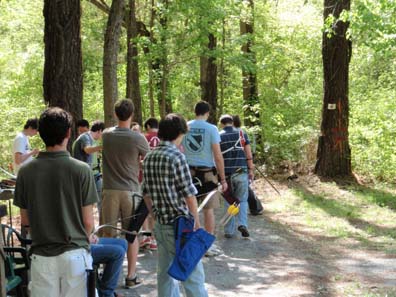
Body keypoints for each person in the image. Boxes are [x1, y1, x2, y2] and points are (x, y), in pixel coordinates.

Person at [13, 107, 98, 297]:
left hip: (41, 256)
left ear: (40, 134)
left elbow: (25, 221)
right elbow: (88, 222)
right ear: (68, 133)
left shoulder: (26, 172)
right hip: (75, 256)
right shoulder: (82, 170)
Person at [142, 113, 208, 297]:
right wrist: (196, 222)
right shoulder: (176, 156)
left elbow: (146, 194)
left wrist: (154, 216)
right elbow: (189, 194)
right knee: (192, 275)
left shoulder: (149, 157)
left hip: (161, 225)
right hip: (180, 226)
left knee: (164, 275)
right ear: (179, 133)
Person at [101, 99, 149, 288]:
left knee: (108, 234)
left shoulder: (106, 135)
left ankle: (108, 277)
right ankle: (131, 276)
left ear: (115, 114)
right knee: (131, 234)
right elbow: (148, 159)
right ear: (132, 115)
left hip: (109, 190)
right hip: (130, 191)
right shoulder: (137, 138)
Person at [182, 101, 227, 256]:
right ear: (207, 113)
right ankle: (206, 245)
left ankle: (188, 240)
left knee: (188, 209)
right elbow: (218, 156)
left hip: (187, 173)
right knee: (209, 210)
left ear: (195, 111)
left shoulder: (185, 126)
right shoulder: (212, 129)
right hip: (207, 174)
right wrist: (223, 178)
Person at [219, 114, 255, 238]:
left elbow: (217, 158)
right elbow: (248, 154)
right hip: (241, 171)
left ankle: (229, 231)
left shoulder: (219, 135)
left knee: (229, 201)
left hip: (227, 175)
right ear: (232, 122)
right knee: (242, 200)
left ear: (221, 123)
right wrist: (251, 169)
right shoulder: (241, 134)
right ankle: (242, 224)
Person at [72, 120, 105, 206]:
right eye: (102, 133)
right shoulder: (85, 137)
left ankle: (102, 219)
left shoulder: (93, 139)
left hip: (95, 174)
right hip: (83, 175)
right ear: (99, 131)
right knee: (86, 202)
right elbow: (87, 150)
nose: (101, 136)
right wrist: (102, 147)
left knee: (101, 200)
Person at [139, 117, 160, 251]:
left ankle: (145, 235)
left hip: (143, 177)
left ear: (147, 126)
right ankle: (154, 238)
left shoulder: (143, 138)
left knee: (144, 208)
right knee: (155, 208)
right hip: (159, 178)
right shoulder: (165, 138)